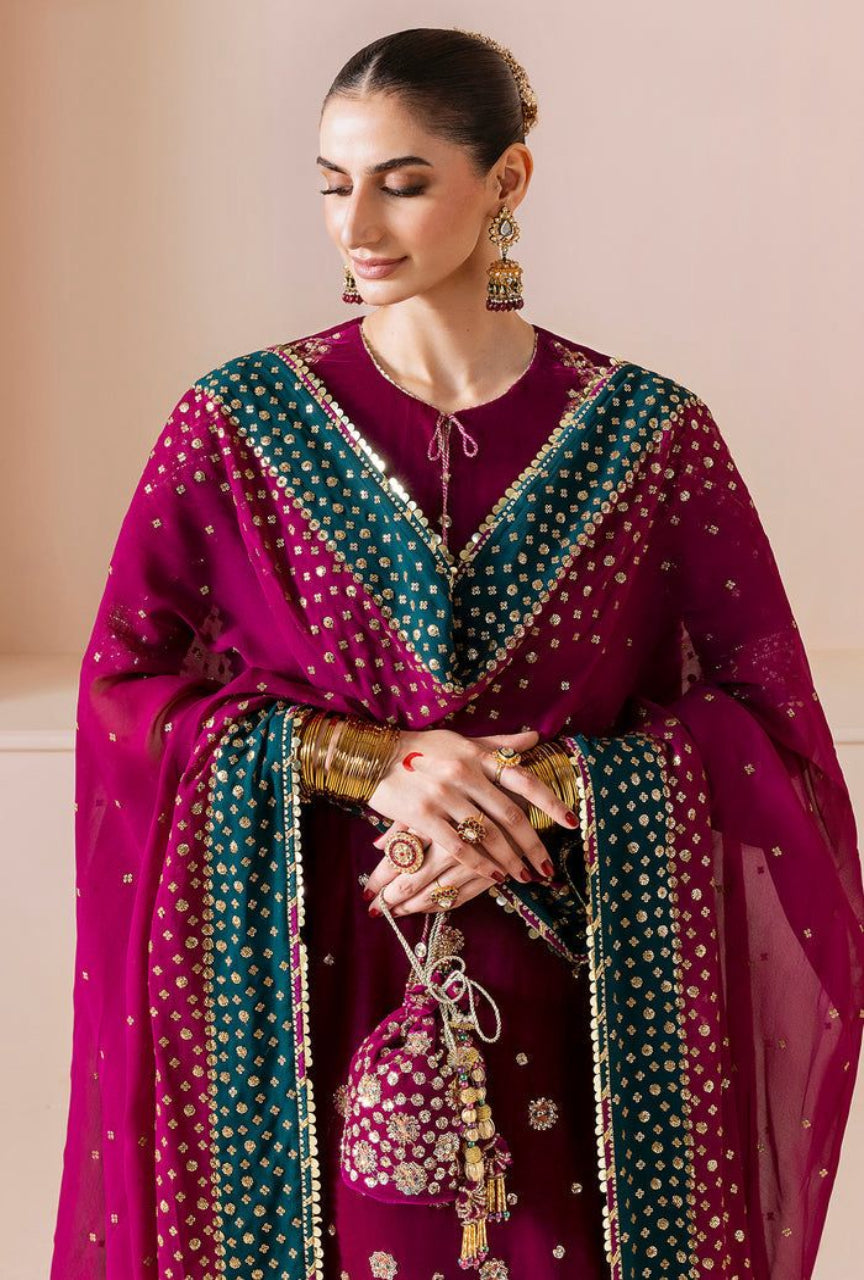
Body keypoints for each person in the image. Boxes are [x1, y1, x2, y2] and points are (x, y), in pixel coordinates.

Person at [50, 26, 864, 1280]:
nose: (355, 222)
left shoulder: (649, 439)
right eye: (333, 182)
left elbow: (770, 727)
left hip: (580, 987)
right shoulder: (235, 426)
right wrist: (374, 761)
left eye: (404, 179)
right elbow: (125, 693)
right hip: (302, 983)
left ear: (508, 182)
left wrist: (538, 786)